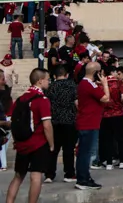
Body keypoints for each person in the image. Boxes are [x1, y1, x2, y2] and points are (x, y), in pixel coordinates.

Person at [5, 69, 53, 203]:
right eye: (47, 79)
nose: (49, 82)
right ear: (40, 81)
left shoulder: (20, 99)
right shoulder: (42, 100)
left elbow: (13, 121)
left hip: (22, 143)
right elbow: (47, 125)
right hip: (38, 143)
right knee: (36, 177)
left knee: (18, 176)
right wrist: (51, 144)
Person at [75, 61, 110, 190]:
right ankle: (83, 179)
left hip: (88, 121)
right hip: (88, 123)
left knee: (84, 152)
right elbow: (106, 98)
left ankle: (83, 177)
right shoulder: (88, 84)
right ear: (96, 72)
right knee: (85, 153)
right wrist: (105, 84)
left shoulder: (85, 84)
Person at [45, 64, 78, 183]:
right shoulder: (72, 85)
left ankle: (49, 174)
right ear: (66, 74)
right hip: (69, 120)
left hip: (54, 121)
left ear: (54, 76)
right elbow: (77, 103)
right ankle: (69, 173)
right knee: (68, 149)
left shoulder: (50, 87)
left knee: (53, 149)